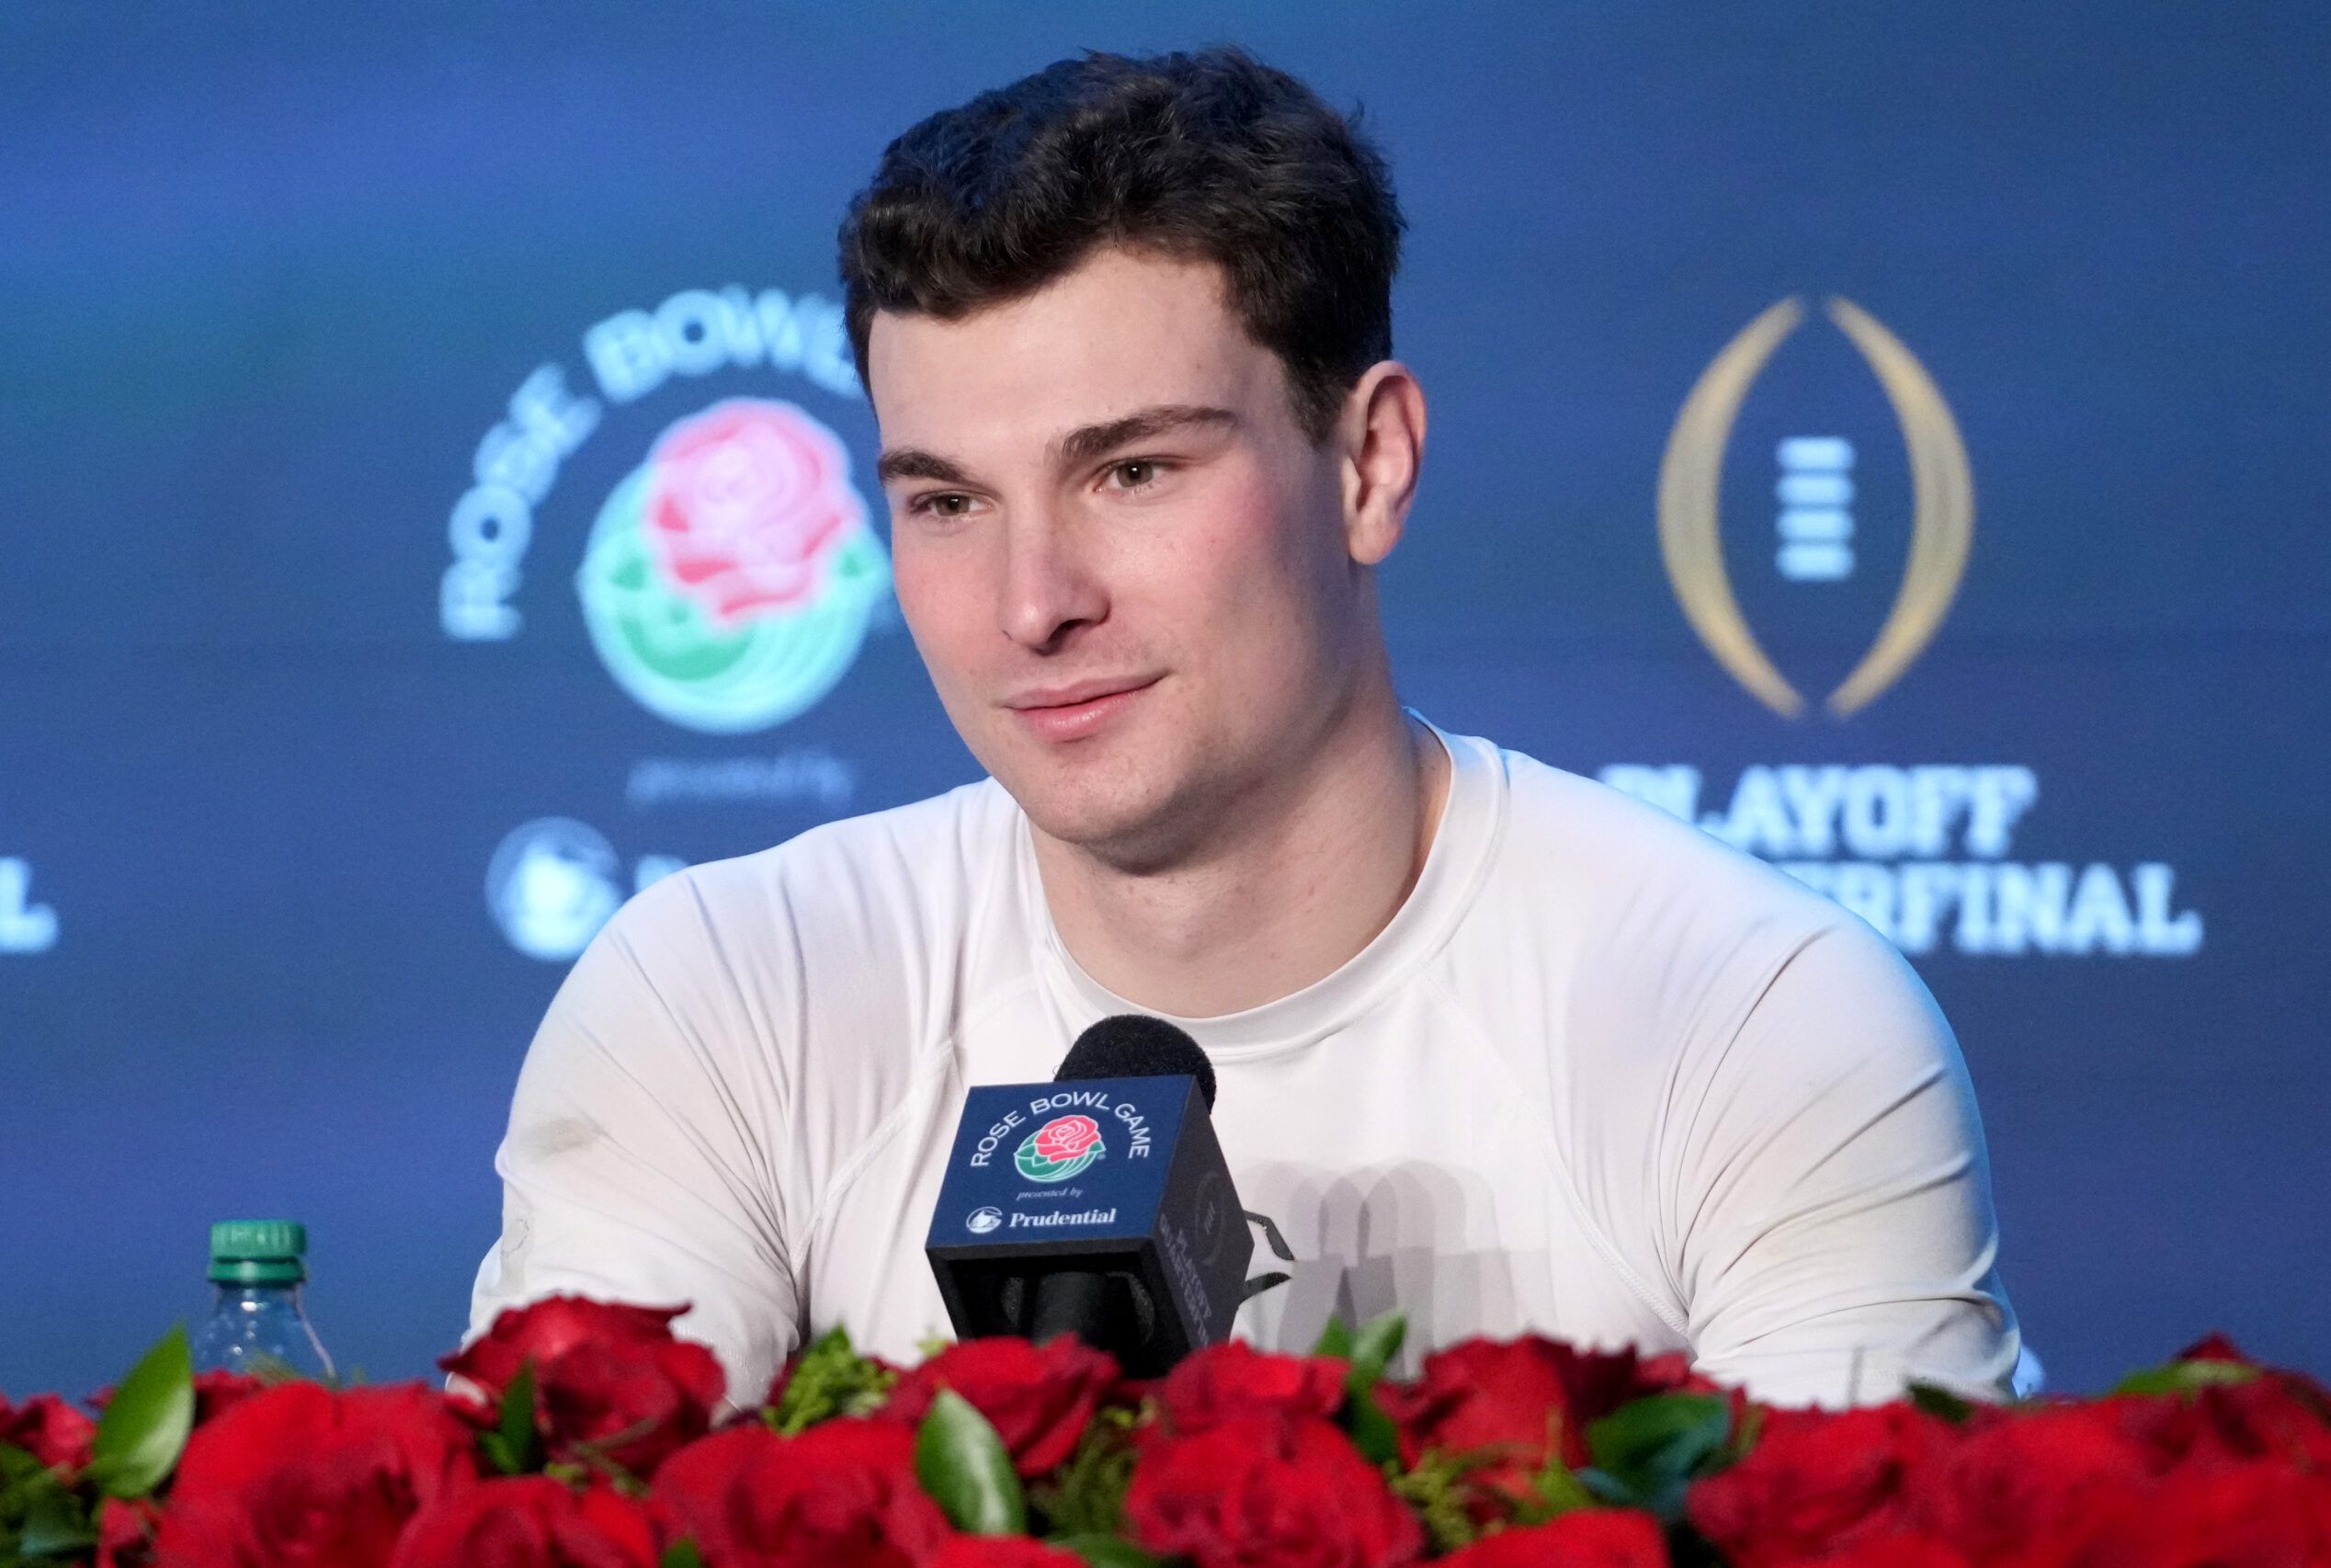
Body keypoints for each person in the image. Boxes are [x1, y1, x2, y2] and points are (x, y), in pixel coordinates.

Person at [467, 46, 2019, 1410]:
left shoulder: (1748, 1023)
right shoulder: (726, 999)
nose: (1031, 604)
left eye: (1131, 471)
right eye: (946, 500)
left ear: (1370, 463)